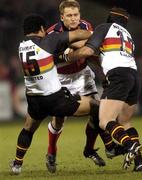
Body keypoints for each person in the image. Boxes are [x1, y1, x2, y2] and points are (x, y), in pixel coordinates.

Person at [9, 13, 101, 175]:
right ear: (42, 29)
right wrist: (97, 34)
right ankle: (99, 147)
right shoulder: (47, 41)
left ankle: (17, 164)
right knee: (97, 107)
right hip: (54, 99)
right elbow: (78, 34)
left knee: (28, 129)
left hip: (34, 100)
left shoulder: (21, 46)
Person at [64, 7, 142, 171]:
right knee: (125, 122)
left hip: (118, 76)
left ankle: (130, 145)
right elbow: (100, 53)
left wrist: (66, 56)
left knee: (104, 121)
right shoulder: (128, 36)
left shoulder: (104, 28)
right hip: (134, 76)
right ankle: (140, 163)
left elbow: (88, 49)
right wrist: (72, 44)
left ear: (110, 19)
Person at [45, 0, 116, 172]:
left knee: (98, 111)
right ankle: (51, 152)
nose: (73, 19)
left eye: (75, 14)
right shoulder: (52, 33)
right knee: (59, 119)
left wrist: (102, 74)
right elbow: (48, 59)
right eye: (69, 15)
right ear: (62, 17)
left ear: (80, 15)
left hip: (83, 74)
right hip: (60, 77)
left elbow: (91, 53)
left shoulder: (85, 26)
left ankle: (92, 149)